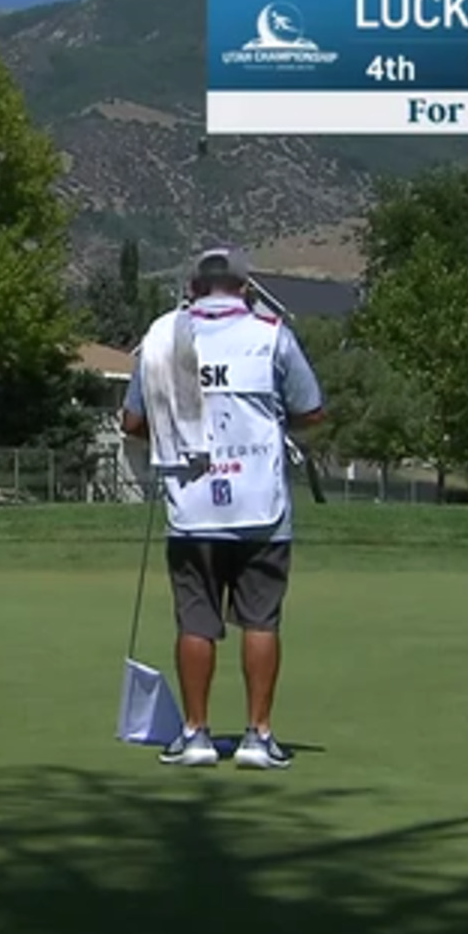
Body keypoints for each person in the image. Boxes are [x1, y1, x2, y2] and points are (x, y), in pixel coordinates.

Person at [120, 247, 323, 769]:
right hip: (261, 506)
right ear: (246, 288)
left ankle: (195, 734)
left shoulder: (162, 336)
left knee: (196, 621)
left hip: (192, 506)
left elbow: (132, 422)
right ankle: (258, 736)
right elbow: (311, 410)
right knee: (261, 621)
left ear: (192, 288)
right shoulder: (270, 332)